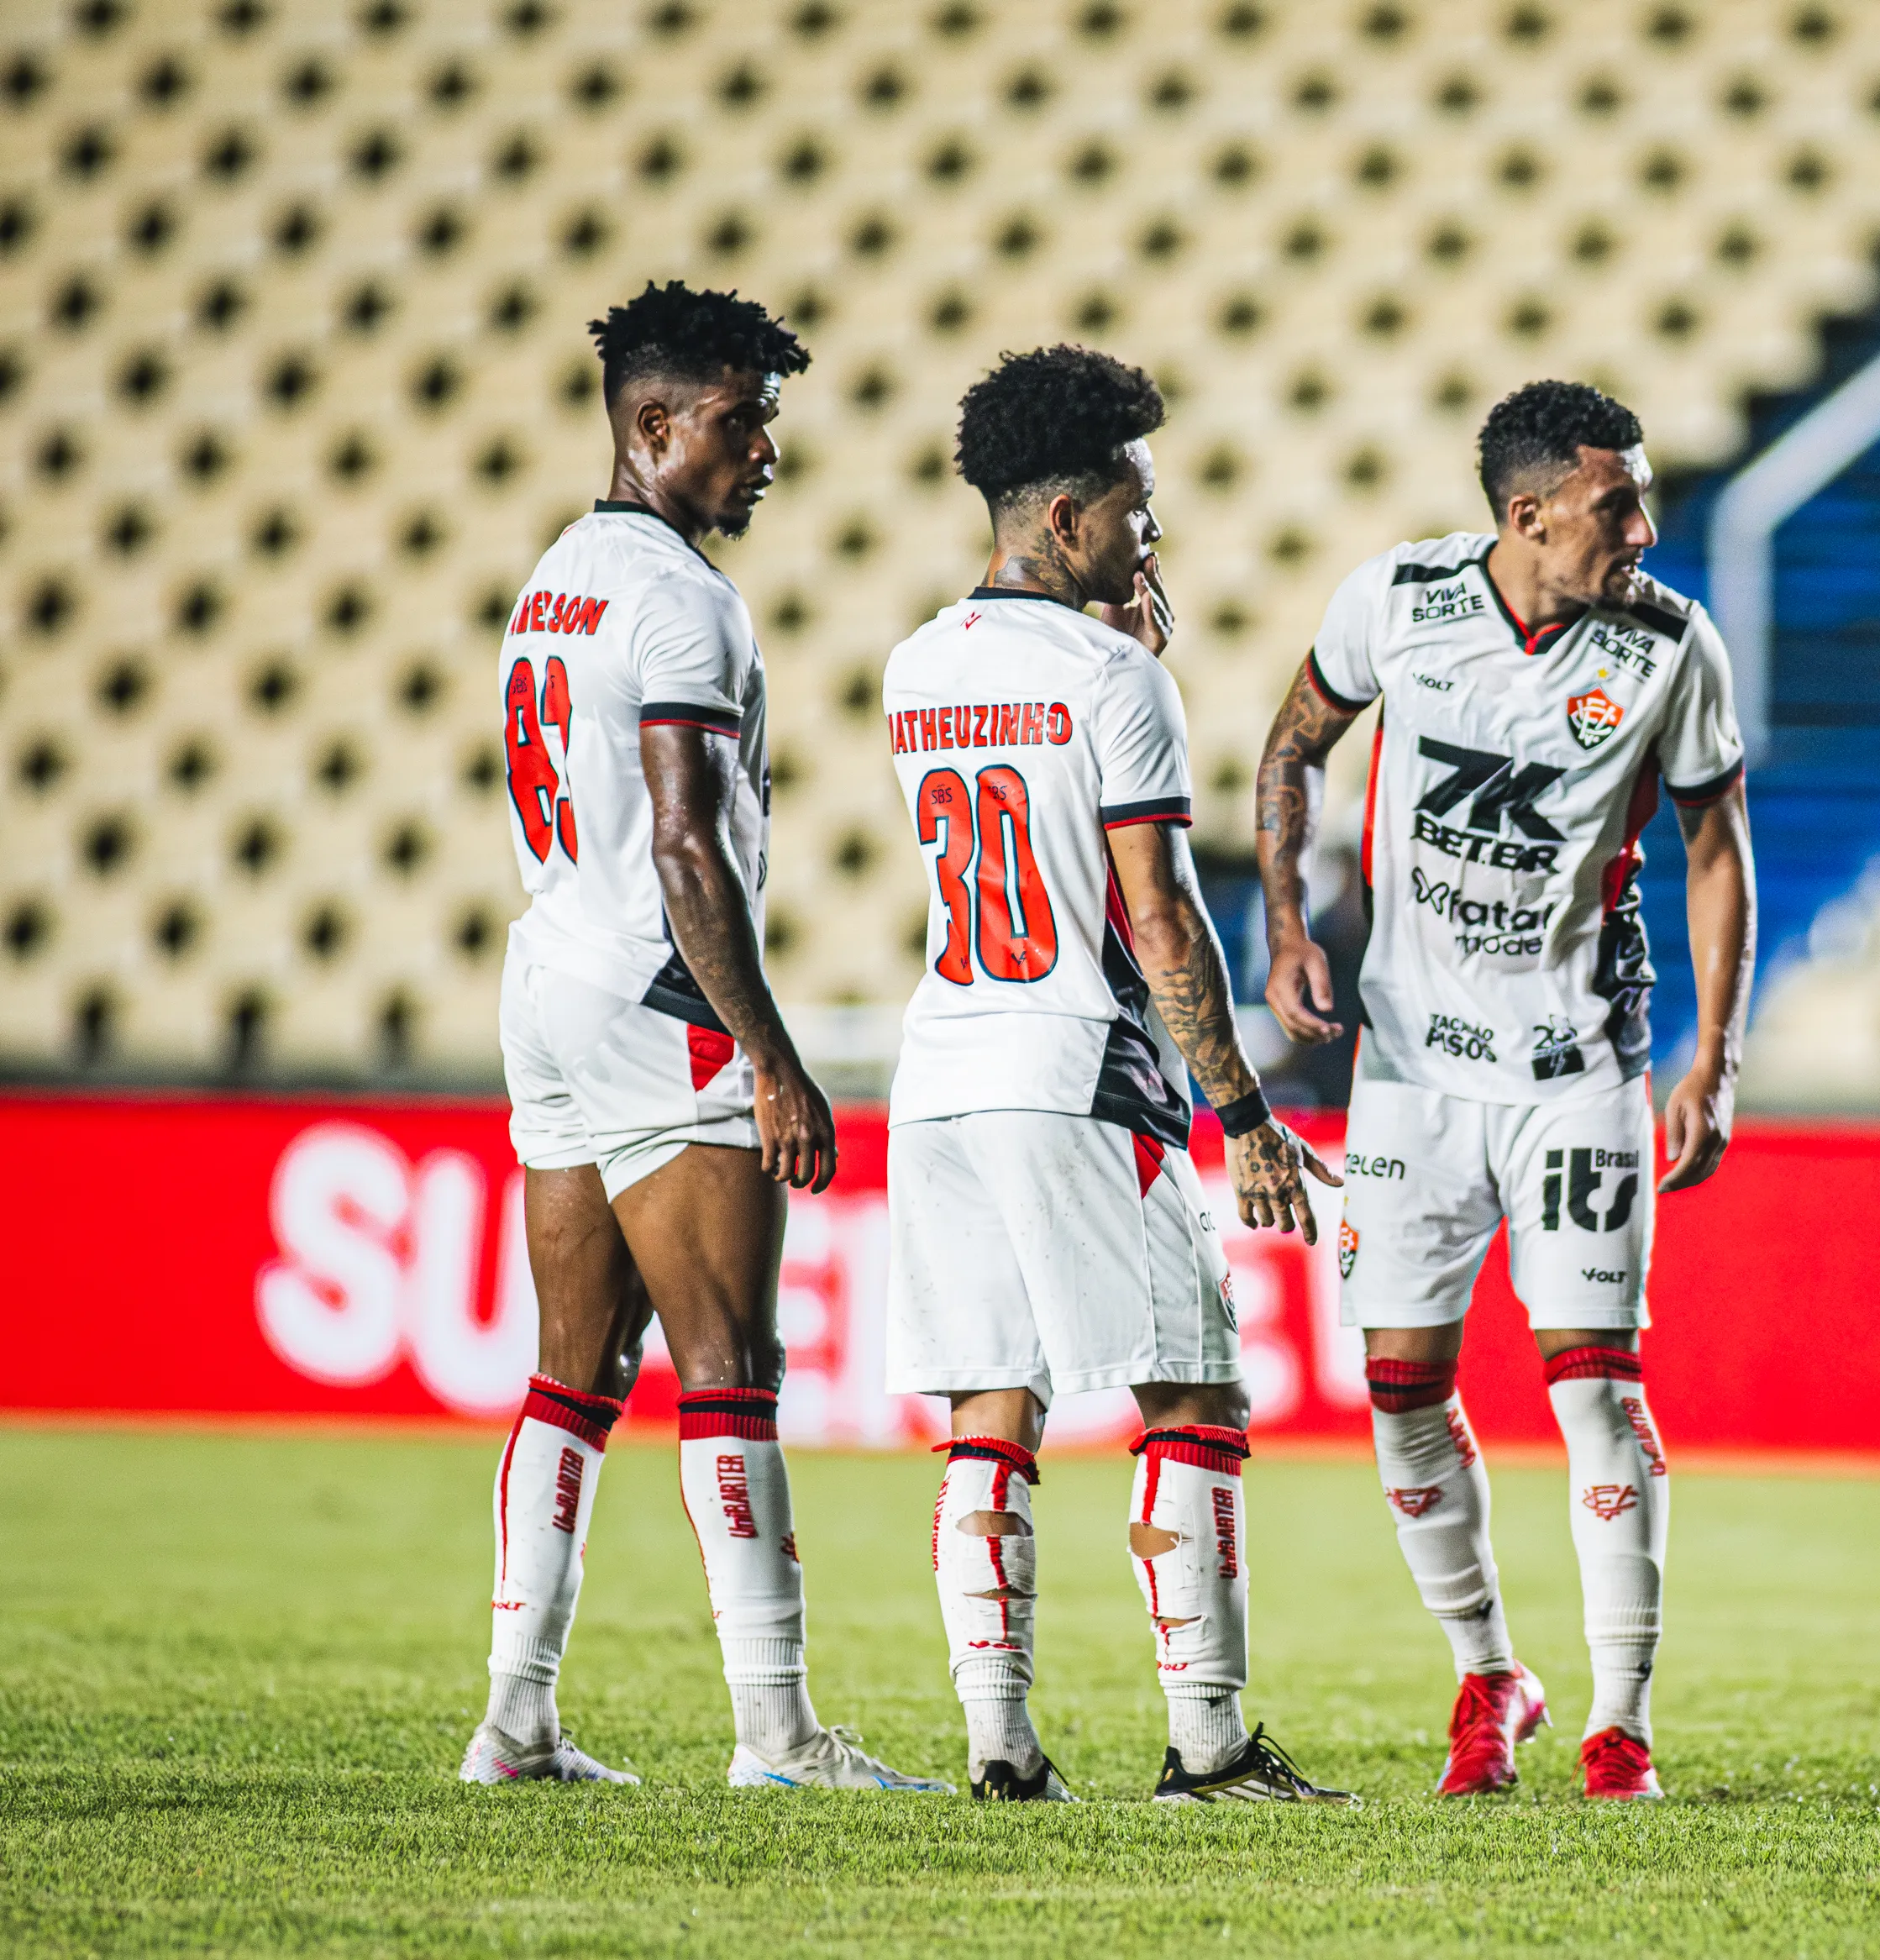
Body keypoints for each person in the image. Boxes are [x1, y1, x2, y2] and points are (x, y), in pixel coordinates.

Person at [467, 281, 942, 1792]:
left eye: (770, 423)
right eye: (742, 423)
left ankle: (515, 1720)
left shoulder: (553, 580)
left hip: (547, 974)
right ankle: (777, 1732)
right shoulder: (680, 599)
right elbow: (687, 849)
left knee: (573, 1372)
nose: (764, 452)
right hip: (655, 991)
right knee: (728, 1361)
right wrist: (772, 1052)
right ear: (654, 423)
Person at [1253, 381, 1758, 1801]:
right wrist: (1290, 927)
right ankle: (1491, 1673)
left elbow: (1717, 844)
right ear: (1529, 515)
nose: (1645, 531)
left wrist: (1713, 1053)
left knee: (1597, 1387)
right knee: (1399, 1387)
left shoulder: (1671, 645)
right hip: (1410, 1075)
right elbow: (1292, 746)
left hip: (1578, 1071)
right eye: (1618, 505)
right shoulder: (1395, 601)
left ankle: (1623, 1724)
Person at [885, 344, 1353, 1806]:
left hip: (943, 1062)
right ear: (1071, 521)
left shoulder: (916, 662)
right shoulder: (1114, 678)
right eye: (1138, 509)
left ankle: (997, 1747)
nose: (1157, 534)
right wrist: (1245, 1112)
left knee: (992, 1411)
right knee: (1195, 1394)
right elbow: (1153, 913)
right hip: (1078, 1065)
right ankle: (1208, 1746)